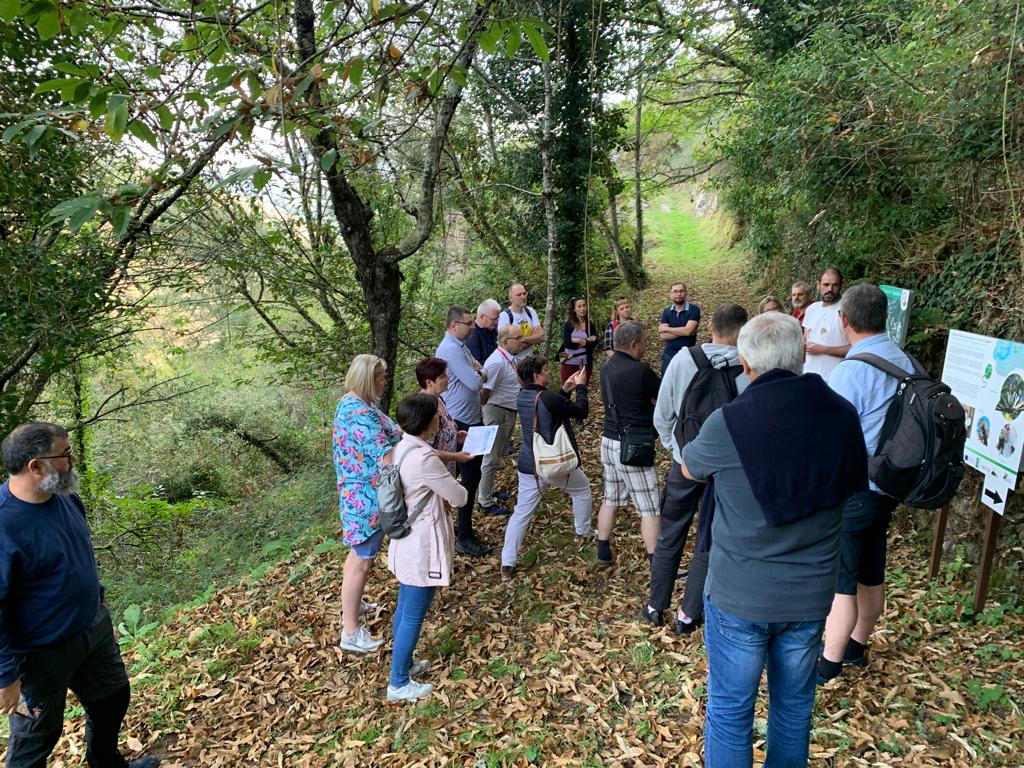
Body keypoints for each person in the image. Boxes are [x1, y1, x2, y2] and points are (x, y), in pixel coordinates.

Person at [679, 312, 868, 767]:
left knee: (729, 711)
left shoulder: (729, 424)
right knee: (794, 708)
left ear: (745, 365)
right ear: (802, 355)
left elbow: (689, 467)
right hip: (808, 596)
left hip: (740, 596)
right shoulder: (842, 416)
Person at [0, 422, 160, 768]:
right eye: (65, 453)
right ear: (36, 466)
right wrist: (6, 676)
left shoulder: (66, 497)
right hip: (41, 655)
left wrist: (97, 599)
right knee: (35, 738)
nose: (73, 458)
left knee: (112, 698)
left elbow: (79, 552)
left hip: (92, 629)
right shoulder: (4, 525)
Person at [817, 284, 915, 685]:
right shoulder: (907, 361)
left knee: (844, 578)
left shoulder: (852, 372)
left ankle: (828, 664)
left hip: (856, 486)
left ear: (844, 320)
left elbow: (827, 435)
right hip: (891, 484)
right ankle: (858, 646)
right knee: (871, 568)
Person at [645, 304, 749, 631]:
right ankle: (688, 614)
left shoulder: (684, 360)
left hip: (685, 462)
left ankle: (654, 604)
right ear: (743, 334)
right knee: (709, 537)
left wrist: (678, 450)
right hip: (726, 474)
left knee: (671, 532)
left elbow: (662, 417)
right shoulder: (751, 370)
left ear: (709, 330)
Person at [386, 393, 469, 702]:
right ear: (426, 422)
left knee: (405, 607)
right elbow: (458, 497)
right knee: (412, 615)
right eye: (436, 416)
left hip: (404, 540)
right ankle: (398, 682)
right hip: (420, 545)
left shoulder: (404, 448)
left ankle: (403, 664)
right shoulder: (425, 459)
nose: (440, 419)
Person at [502, 356, 593, 579]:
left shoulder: (522, 395)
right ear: (536, 375)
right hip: (553, 463)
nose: (549, 373)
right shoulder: (547, 397)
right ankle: (583, 530)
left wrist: (565, 390)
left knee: (521, 513)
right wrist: (581, 387)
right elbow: (581, 411)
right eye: (545, 370)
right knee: (582, 490)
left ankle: (507, 563)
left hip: (528, 464)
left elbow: (546, 412)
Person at [334, 354, 400, 652]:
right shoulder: (358, 412)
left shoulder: (360, 404)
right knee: (362, 560)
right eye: (381, 378)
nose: (385, 382)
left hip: (359, 494)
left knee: (358, 556)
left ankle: (354, 605)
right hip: (365, 499)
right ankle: (351, 633)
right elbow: (386, 457)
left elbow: (394, 431)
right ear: (367, 379)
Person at [436, 306, 503, 556]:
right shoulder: (450, 350)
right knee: (469, 475)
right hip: (460, 422)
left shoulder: (460, 346)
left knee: (472, 474)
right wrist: (479, 371)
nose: (473, 326)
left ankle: (463, 528)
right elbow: (476, 382)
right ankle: (463, 534)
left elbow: (479, 370)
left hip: (470, 419)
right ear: (454, 325)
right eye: (468, 323)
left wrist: (479, 370)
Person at [597, 320, 661, 565]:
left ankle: (603, 549)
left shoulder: (606, 367)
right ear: (634, 344)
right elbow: (663, 397)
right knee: (649, 508)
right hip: (634, 445)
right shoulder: (641, 370)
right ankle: (657, 564)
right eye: (644, 342)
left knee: (610, 498)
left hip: (608, 439)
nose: (645, 346)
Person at [478, 326, 527, 514]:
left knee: (497, 456)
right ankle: (485, 501)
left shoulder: (508, 359)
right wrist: (483, 412)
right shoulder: (497, 362)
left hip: (506, 412)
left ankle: (489, 491)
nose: (521, 341)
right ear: (505, 341)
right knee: (490, 458)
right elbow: (485, 391)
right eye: (517, 338)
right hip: (497, 412)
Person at [416, 357, 474, 476]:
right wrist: (456, 457)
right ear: (429, 382)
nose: (448, 379)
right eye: (442, 377)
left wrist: (455, 437)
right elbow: (425, 451)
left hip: (446, 470)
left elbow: (439, 435)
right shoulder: (423, 407)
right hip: (433, 474)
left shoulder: (439, 399)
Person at [802, 268, 850, 382]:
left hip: (835, 381)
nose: (830, 289)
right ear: (818, 285)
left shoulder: (847, 311)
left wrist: (823, 350)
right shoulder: (811, 309)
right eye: (826, 284)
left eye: (835, 285)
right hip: (808, 377)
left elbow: (857, 347)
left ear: (841, 286)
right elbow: (805, 338)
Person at [658, 282, 701, 374]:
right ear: (670, 294)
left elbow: (688, 331)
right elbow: (663, 336)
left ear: (686, 293)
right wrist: (685, 331)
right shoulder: (666, 312)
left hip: (688, 354)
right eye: (675, 291)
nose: (678, 294)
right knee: (666, 383)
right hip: (669, 354)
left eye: (681, 291)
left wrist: (667, 329)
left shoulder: (694, 310)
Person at [498, 283, 545, 362]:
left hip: (529, 361)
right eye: (519, 295)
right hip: (514, 363)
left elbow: (542, 337)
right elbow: (507, 346)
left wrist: (521, 339)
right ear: (510, 298)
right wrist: (533, 339)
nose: (523, 297)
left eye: (524, 293)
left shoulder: (530, 311)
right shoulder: (504, 316)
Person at [559, 296, 598, 385]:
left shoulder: (590, 324)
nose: (582, 309)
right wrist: (582, 341)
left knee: (582, 389)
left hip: (585, 362)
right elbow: (567, 343)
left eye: (584, 306)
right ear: (574, 309)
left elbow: (592, 345)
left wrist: (575, 340)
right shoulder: (569, 324)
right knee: (566, 388)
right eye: (579, 306)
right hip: (569, 361)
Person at [466, 299, 502, 365]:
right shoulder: (472, 335)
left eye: (498, 318)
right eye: (493, 319)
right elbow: (477, 363)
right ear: (482, 317)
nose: (497, 322)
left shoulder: (492, 329)